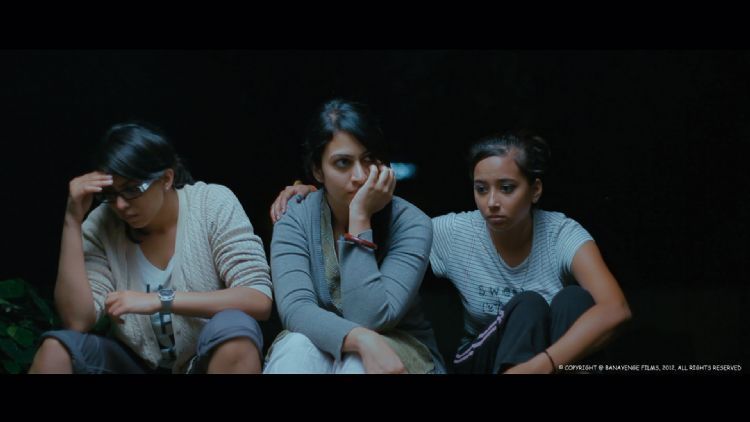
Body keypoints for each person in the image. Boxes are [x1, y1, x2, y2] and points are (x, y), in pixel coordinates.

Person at [270, 130, 631, 374]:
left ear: (535, 190)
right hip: (485, 359)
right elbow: (402, 238)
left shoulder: (561, 234)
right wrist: (318, 195)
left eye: (507, 188)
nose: (492, 202)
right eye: (481, 189)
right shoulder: (454, 232)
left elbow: (616, 309)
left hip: (548, 362)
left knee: (574, 301)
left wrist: (543, 365)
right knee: (528, 305)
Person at [29, 122, 272, 374]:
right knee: (56, 350)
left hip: (203, 361)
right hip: (136, 364)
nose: (121, 205)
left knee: (235, 329)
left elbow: (257, 298)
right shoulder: (103, 223)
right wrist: (72, 220)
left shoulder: (210, 204)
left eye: (132, 190)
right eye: (110, 194)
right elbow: (77, 321)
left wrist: (160, 301)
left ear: (166, 178)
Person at [264, 99, 445, 374]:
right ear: (317, 170)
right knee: (296, 346)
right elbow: (296, 309)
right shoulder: (295, 217)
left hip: (397, 348)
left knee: (356, 364)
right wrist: (361, 339)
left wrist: (359, 217)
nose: (360, 176)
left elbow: (370, 318)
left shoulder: (411, 223)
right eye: (343, 163)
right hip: (317, 343)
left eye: (369, 159)